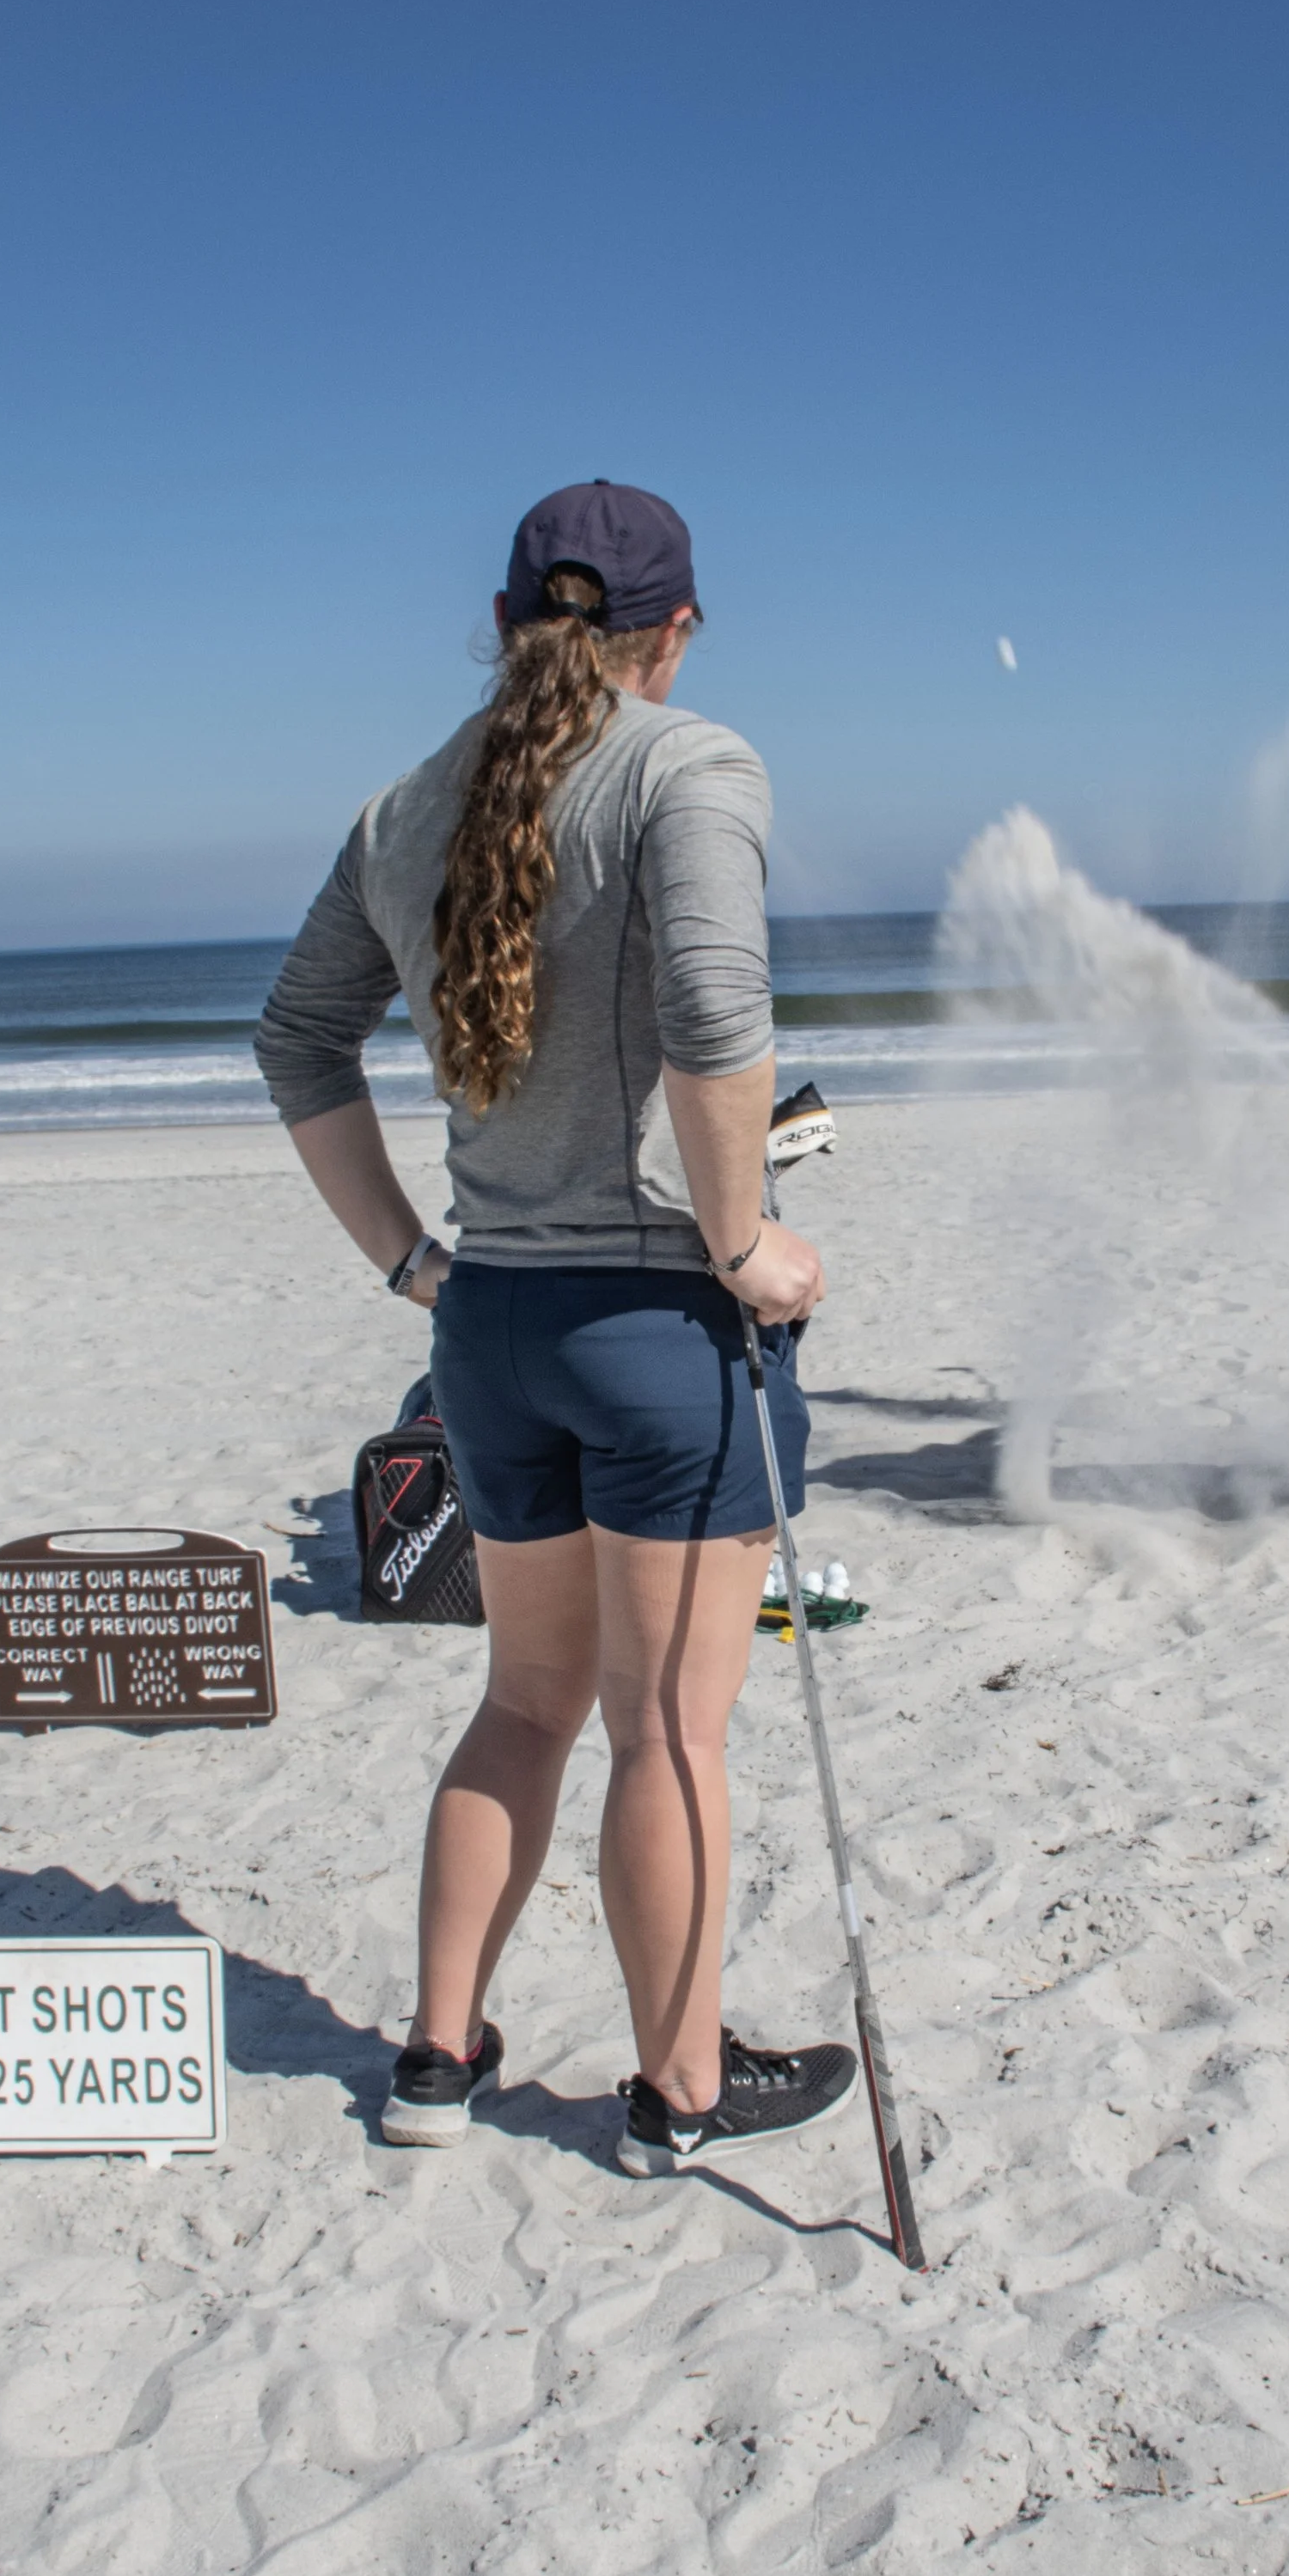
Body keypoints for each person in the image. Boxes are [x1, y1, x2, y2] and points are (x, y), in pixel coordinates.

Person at [255, 480, 858, 2170]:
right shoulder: (690, 766)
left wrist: (408, 1261)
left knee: (523, 1701)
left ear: (514, 617)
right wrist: (744, 1241)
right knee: (668, 1727)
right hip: (660, 1333)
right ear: (672, 627)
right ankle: (678, 2083)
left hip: (492, 1329)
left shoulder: (402, 806)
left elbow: (296, 1040)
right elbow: (712, 1027)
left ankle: (436, 2055)